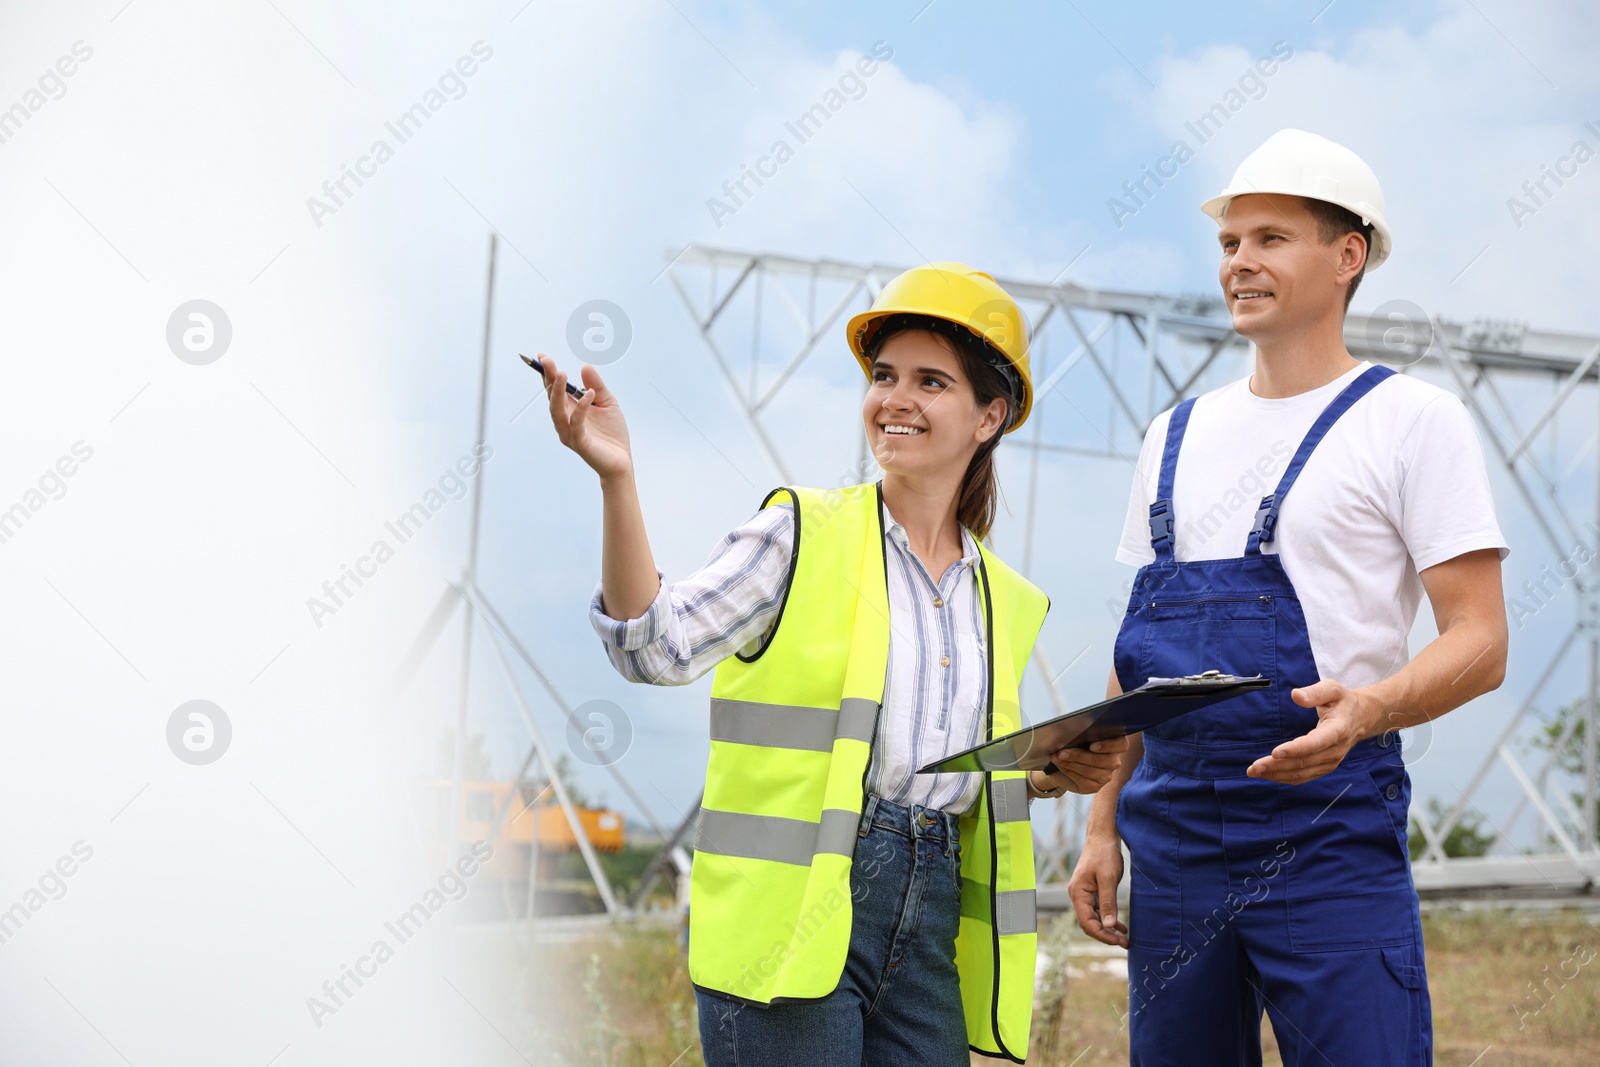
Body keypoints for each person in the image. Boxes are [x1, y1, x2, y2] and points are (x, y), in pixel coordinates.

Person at [541, 262, 1128, 1065]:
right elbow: (654, 645)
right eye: (885, 375)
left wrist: (1048, 768)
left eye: (930, 381)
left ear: (990, 415)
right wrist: (619, 479)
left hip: (929, 920)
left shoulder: (1002, 596)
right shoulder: (800, 534)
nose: (896, 399)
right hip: (790, 920)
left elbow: (941, 765)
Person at [1067, 129, 1510, 1066]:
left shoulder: (1411, 421)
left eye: (1270, 238)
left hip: (1327, 830)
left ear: (1349, 256)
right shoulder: (1174, 434)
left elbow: (1481, 637)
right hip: (1175, 838)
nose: (1240, 263)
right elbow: (1141, 645)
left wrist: (1371, 708)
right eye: (1230, 243)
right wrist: (1101, 823)